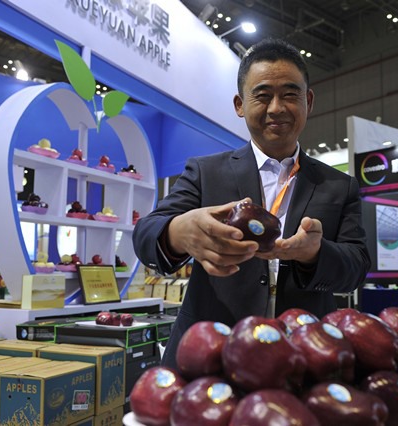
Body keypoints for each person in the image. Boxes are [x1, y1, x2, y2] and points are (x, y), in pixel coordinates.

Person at [133, 38, 371, 369]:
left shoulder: (339, 186)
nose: (276, 108)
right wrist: (178, 232)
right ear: (240, 104)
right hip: (212, 352)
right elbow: (145, 235)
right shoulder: (205, 172)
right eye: (262, 96)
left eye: (290, 95)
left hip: (303, 357)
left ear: (308, 101)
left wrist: (315, 254)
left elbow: (357, 266)